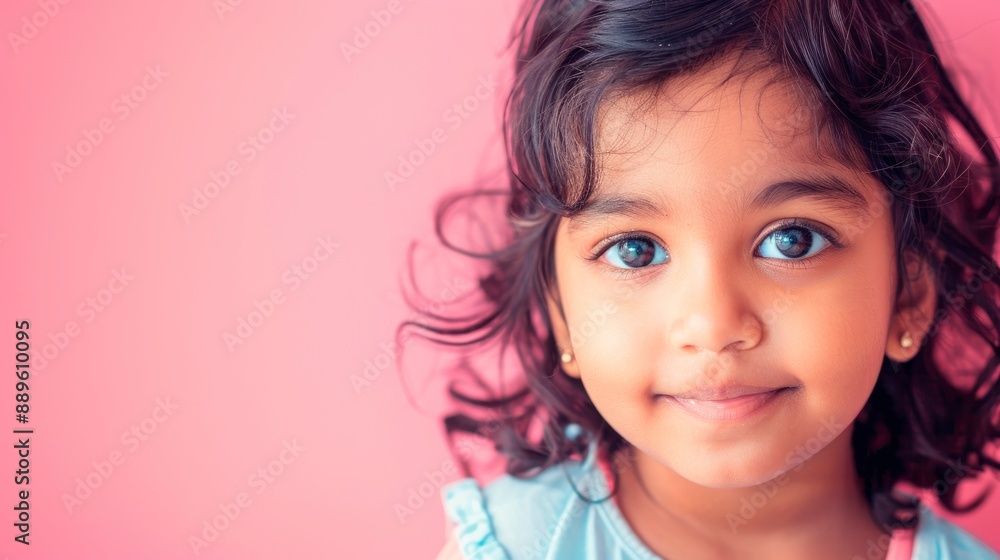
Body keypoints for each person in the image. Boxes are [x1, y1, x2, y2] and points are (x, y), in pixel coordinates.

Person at [398, 0, 1000, 558]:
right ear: (561, 313)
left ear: (910, 293)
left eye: (791, 241)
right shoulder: (519, 546)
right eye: (635, 251)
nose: (713, 326)